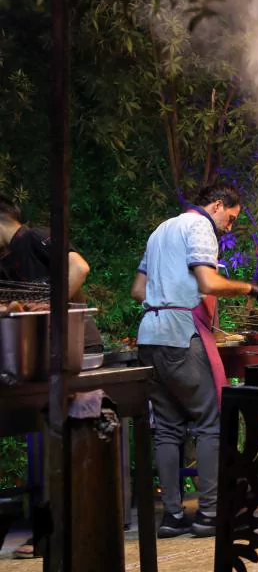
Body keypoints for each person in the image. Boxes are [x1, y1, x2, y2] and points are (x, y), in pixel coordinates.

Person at [131, 181, 258, 538]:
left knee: (166, 429)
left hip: (149, 336)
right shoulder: (199, 226)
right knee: (211, 421)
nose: (229, 226)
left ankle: (172, 516)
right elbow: (208, 283)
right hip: (181, 335)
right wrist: (250, 288)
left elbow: (138, 291)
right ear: (216, 206)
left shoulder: (160, 230)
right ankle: (210, 513)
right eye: (230, 217)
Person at [0, 195, 103, 559]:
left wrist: (46, 306)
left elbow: (79, 267)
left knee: (60, 437)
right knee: (44, 438)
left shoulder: (33, 237)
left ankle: (58, 532)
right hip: (44, 358)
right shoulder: (7, 258)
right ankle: (50, 530)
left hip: (77, 350)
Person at [0, 194, 103, 351]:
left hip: (78, 343)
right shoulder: (6, 261)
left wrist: (50, 304)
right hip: (46, 348)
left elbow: (79, 267)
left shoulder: (35, 237)